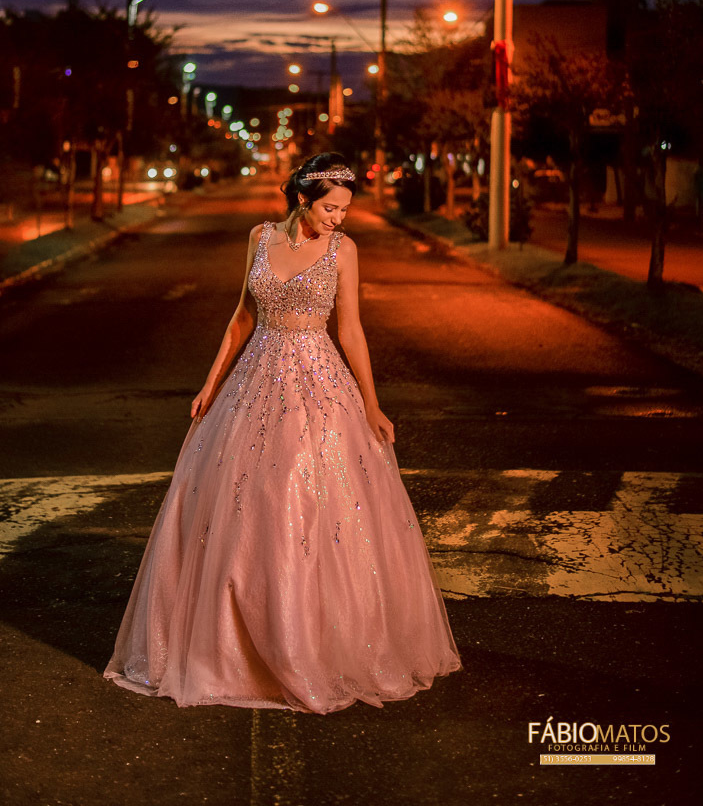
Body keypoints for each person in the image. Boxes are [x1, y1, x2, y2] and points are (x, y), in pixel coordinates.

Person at [104, 152, 462, 713]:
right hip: (255, 378)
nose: (338, 218)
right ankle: (234, 644)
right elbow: (242, 316)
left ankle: (308, 641)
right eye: (330, 207)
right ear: (303, 198)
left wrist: (372, 404)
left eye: (344, 209)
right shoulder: (261, 237)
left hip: (319, 382)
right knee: (243, 504)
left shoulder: (345, 252)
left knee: (305, 494)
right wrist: (210, 384)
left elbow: (352, 330)